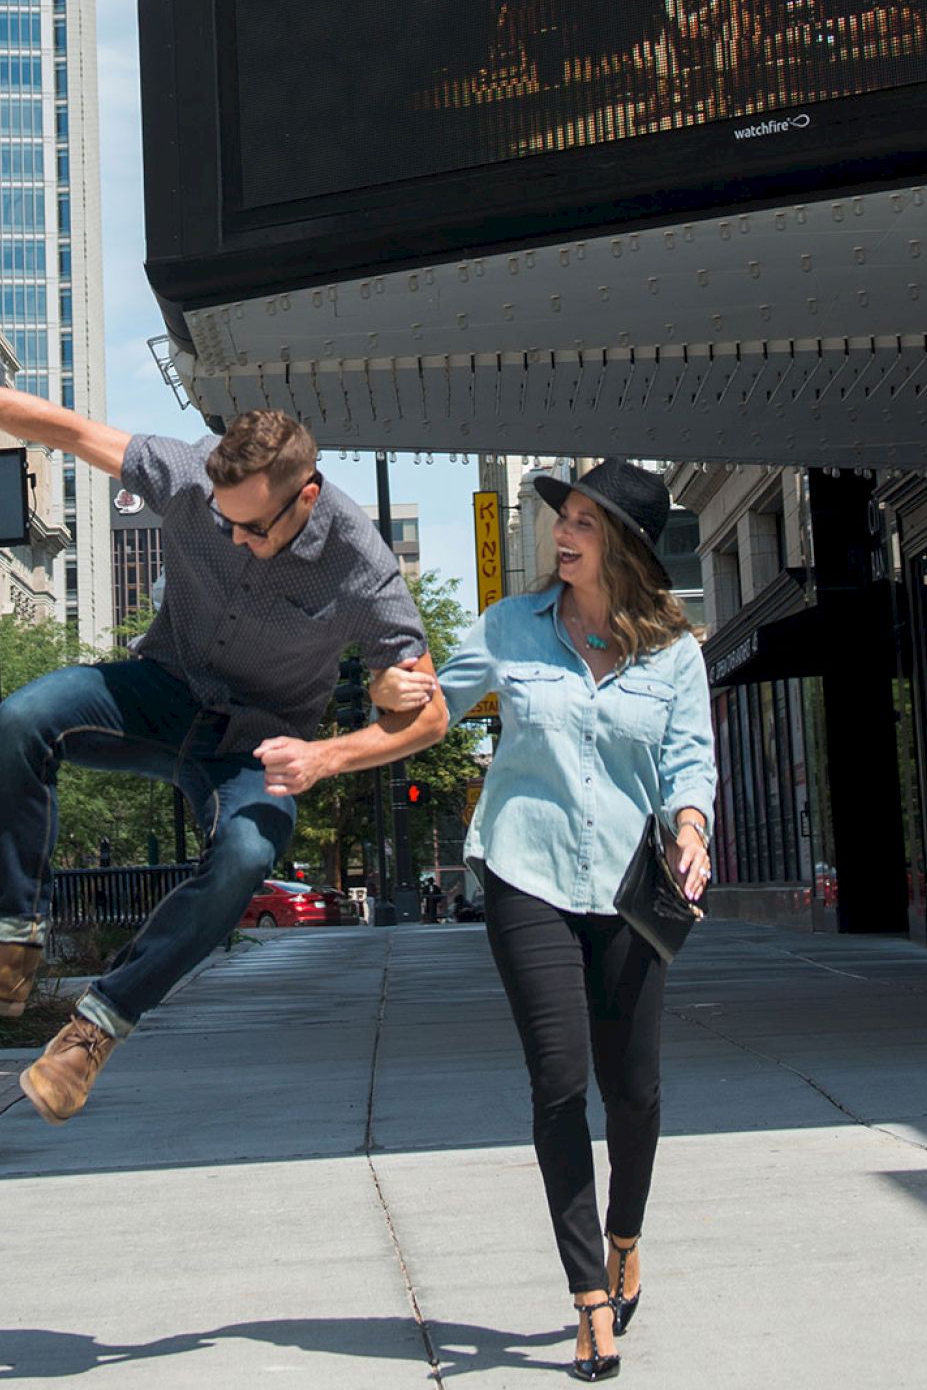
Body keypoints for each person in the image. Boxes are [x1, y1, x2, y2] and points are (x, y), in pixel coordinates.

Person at [0, 348, 447, 1123]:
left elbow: (428, 714)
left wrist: (330, 752)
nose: (234, 537)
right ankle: (8, 951)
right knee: (22, 719)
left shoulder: (361, 566)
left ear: (305, 496)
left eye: (253, 528)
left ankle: (91, 1034)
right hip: (163, 694)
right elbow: (66, 430)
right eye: (223, 518)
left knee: (245, 855)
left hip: (259, 746)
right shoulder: (188, 476)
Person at [371, 460, 716, 1381]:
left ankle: (626, 1238)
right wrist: (393, 695)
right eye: (562, 518)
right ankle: (588, 1300)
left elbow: (690, 764)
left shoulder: (675, 654)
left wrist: (692, 831)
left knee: (633, 1090)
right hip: (524, 872)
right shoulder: (510, 628)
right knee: (560, 1083)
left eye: (585, 524)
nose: (562, 534)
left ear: (627, 547)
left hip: (631, 888)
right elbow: (436, 702)